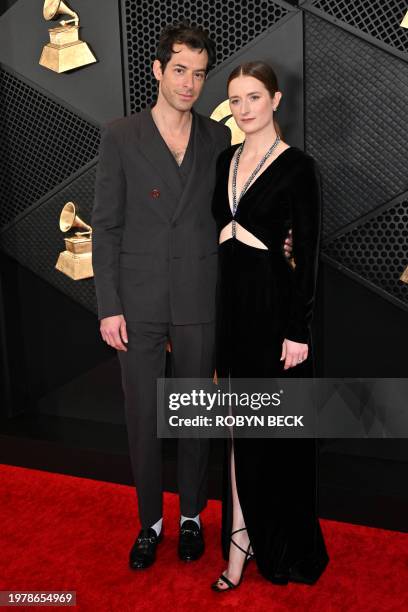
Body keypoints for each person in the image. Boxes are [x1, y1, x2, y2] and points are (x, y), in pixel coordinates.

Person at [92, 22, 231, 569]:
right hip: (139, 301)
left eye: (199, 74)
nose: (189, 84)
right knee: (143, 418)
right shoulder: (120, 135)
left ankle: (192, 516)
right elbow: (105, 226)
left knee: (198, 414)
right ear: (157, 70)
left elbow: (226, 215)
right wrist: (109, 305)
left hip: (200, 295)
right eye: (180, 70)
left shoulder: (218, 138)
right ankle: (150, 522)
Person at [211, 61, 329, 591]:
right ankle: (240, 538)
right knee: (238, 431)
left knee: (273, 436)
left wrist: (298, 331)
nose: (243, 108)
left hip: (275, 312)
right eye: (235, 100)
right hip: (231, 309)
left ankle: (277, 540)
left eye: (253, 97)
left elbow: (305, 254)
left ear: (276, 100)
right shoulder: (224, 161)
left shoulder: (298, 167)